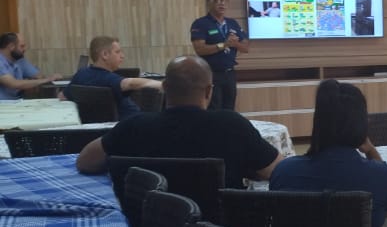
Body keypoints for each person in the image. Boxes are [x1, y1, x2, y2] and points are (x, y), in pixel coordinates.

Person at [76, 55, 281, 184]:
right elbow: (278, 172)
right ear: (209, 91)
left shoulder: (134, 126)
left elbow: (85, 162)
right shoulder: (233, 125)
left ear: (164, 88)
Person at [270, 80, 387, 227]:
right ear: (362, 124)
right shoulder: (381, 176)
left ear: (318, 123)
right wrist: (371, 151)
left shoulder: (284, 172)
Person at [68, 35, 162, 119]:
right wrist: (165, 85)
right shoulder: (107, 78)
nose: (122, 56)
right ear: (105, 55)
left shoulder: (80, 74)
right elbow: (131, 83)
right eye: (117, 52)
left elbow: (62, 96)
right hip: (131, 129)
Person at [190, 0, 249, 111]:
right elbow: (200, 49)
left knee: (229, 109)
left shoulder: (232, 23)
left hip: (229, 73)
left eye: (223, 1)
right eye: (217, 1)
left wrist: (235, 43)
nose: (221, 4)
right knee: (214, 108)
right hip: (211, 74)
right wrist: (224, 44)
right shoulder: (200, 24)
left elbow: (245, 48)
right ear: (209, 4)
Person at [0, 32, 58, 99]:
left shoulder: (18, 60)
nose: (25, 49)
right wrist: (47, 79)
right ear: (11, 47)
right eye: (22, 46)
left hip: (17, 102)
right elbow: (14, 84)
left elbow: (39, 76)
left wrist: (30, 82)